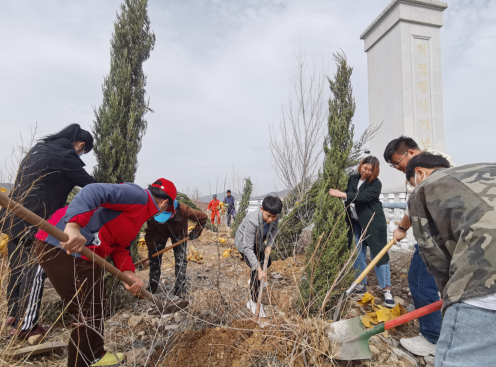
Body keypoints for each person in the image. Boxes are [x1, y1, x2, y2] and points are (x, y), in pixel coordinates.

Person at [34, 178, 175, 367]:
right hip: (64, 246)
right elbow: (93, 191)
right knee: (88, 310)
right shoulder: (139, 196)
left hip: (84, 256)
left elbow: (122, 246)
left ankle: (96, 355)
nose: (164, 213)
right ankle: (84, 362)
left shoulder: (139, 215)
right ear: (165, 203)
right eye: (167, 210)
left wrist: (128, 273)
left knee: (95, 304)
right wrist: (73, 226)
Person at [2, 124, 97, 338]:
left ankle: (14, 317)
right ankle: (27, 328)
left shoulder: (37, 151)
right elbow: (92, 187)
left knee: (17, 267)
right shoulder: (65, 156)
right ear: (80, 145)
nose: (80, 154)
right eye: (82, 151)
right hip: (37, 221)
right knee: (35, 269)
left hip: (13, 218)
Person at [405, 154, 496, 367]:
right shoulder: (484, 168)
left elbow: (434, 255)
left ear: (419, 172)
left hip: (483, 283)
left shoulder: (425, 188)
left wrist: (451, 295)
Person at [383, 136, 453, 355]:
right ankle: (438, 324)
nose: (397, 168)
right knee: (431, 284)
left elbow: (413, 209)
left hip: (435, 240)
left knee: (421, 281)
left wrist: (402, 229)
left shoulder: (429, 169)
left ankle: (431, 338)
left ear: (410, 154)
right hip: (437, 237)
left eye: (397, 162)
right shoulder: (431, 164)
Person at [329, 156, 394, 307]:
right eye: (364, 168)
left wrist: (343, 195)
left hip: (373, 223)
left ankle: (386, 289)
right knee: (357, 253)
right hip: (355, 223)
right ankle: (360, 284)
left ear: (375, 171)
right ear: (360, 166)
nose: (366, 172)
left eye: (370, 170)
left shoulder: (376, 184)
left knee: (379, 255)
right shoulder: (353, 178)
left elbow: (363, 197)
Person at [144, 200, 207, 296]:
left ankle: (180, 289)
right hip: (160, 232)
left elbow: (203, 217)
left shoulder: (184, 210)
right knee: (154, 258)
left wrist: (194, 234)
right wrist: (152, 249)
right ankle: (153, 286)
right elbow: (150, 232)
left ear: (174, 212)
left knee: (181, 260)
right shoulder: (154, 214)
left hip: (179, 233)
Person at [235, 195, 282, 318]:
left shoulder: (274, 216)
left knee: (268, 261)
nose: (271, 219)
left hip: (259, 243)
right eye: (268, 216)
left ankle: (253, 281)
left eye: (274, 217)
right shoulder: (252, 221)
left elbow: (274, 231)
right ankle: (253, 303)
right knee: (256, 272)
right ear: (261, 209)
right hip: (245, 244)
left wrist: (269, 245)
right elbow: (248, 248)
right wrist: (259, 269)